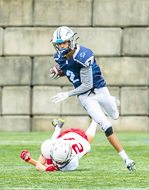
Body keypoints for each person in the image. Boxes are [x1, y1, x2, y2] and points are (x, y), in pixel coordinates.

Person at [50, 26, 136, 171]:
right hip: (85, 97)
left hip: (98, 89)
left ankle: (111, 100)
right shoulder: (59, 56)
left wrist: (67, 94)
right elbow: (69, 68)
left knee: (115, 115)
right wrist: (59, 71)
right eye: (58, 44)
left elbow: (87, 84)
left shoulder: (84, 55)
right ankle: (126, 158)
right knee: (106, 125)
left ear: (71, 41)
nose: (60, 46)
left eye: (63, 43)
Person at [20, 118, 97, 171]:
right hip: (64, 136)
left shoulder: (72, 162)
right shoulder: (51, 146)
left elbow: (45, 167)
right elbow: (41, 165)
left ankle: (95, 121)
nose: (57, 164)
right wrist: (46, 168)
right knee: (50, 159)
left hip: (79, 136)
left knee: (88, 143)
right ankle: (58, 127)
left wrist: (29, 160)